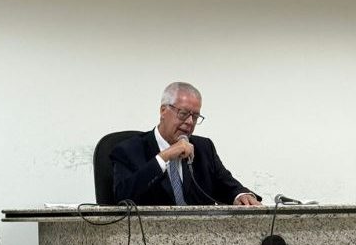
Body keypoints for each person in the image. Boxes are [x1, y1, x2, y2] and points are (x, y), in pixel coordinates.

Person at [111, 82, 261, 206]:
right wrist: (164, 156)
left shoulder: (204, 148)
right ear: (163, 111)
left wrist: (241, 195)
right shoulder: (128, 150)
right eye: (183, 113)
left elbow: (227, 185)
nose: (189, 122)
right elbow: (122, 197)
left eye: (195, 117)